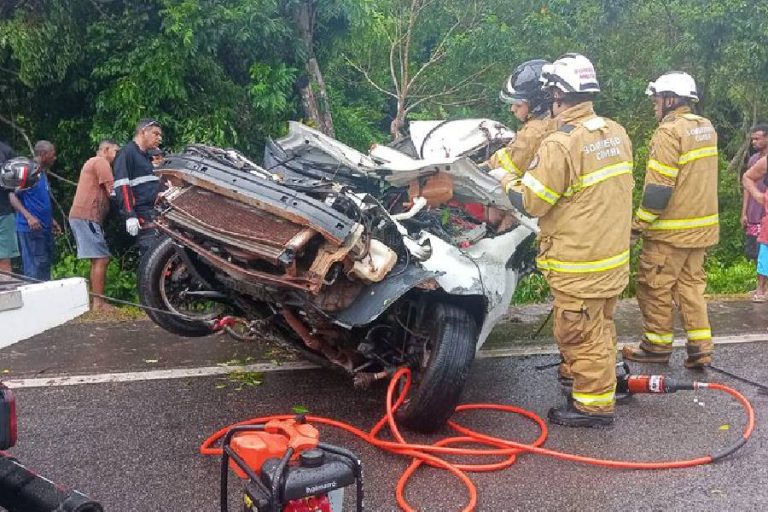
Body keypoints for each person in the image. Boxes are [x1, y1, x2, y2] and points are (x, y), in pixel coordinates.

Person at [502, 53, 633, 427]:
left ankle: (593, 407)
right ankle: (595, 381)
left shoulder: (561, 143)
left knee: (579, 331)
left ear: (557, 95)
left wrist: (507, 184)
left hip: (580, 261)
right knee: (600, 326)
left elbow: (533, 200)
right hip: (610, 257)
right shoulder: (614, 132)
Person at [623, 71, 719, 369]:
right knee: (691, 288)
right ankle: (701, 349)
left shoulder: (669, 132)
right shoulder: (706, 127)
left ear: (669, 100)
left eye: (656, 101)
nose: (654, 107)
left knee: (653, 286)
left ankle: (656, 346)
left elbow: (658, 189)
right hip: (701, 230)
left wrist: (638, 225)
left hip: (670, 234)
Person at [69, 140, 120, 311]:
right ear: (106, 150)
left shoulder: (92, 162)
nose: (117, 155)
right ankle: (99, 303)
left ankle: (97, 301)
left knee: (97, 259)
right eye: (116, 151)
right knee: (101, 258)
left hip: (85, 217)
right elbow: (112, 190)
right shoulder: (100, 162)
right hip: (87, 216)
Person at [483, 59, 556, 179]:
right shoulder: (555, 121)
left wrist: (482, 168)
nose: (512, 109)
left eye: (518, 104)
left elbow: (511, 163)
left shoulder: (534, 133)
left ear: (537, 104)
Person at [9, 140, 61, 281]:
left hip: (44, 228)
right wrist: (29, 217)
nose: (54, 158)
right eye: (52, 154)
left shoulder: (41, 173)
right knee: (34, 270)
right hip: (30, 229)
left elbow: (38, 200)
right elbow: (12, 196)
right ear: (43, 154)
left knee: (44, 266)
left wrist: (50, 219)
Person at [113, 118, 162, 255]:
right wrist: (130, 215)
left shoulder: (148, 157)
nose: (159, 138)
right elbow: (122, 186)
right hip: (142, 214)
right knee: (151, 254)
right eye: (155, 134)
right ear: (143, 132)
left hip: (156, 213)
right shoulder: (127, 154)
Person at [742, 125, 768, 297]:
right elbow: (747, 178)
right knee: (762, 251)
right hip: (761, 213)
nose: (754, 142)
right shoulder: (758, 160)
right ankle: (761, 289)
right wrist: (759, 196)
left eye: (757, 138)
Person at [0, 139, 17, 276]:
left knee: (4, 261)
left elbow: (15, 185)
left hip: (3, 213)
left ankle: (5, 296)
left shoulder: (6, 150)